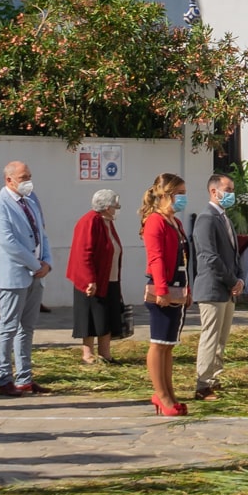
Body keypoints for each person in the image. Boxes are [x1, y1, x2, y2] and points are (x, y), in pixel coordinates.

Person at [0, 160, 53, 395]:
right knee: (8, 327)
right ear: (9, 180)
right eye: (23, 177)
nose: (28, 181)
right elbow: (7, 242)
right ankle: (4, 379)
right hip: (14, 276)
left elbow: (41, 233)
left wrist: (47, 263)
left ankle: (25, 378)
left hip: (36, 275)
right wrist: (35, 264)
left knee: (27, 328)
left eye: (29, 176)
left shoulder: (31, 201)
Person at [190, 172, 244, 401]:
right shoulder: (206, 218)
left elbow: (232, 253)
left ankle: (214, 377)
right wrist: (232, 280)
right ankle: (202, 384)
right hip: (213, 287)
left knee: (221, 338)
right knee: (210, 336)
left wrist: (239, 279)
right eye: (228, 190)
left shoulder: (224, 217)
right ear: (214, 191)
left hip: (228, 289)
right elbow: (209, 257)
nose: (231, 194)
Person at [140, 174, 190, 416]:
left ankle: (169, 392)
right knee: (158, 344)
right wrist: (161, 289)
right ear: (167, 194)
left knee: (169, 345)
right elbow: (156, 257)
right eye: (180, 193)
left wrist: (187, 288)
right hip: (162, 288)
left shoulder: (175, 222)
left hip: (177, 287)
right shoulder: (155, 222)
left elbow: (183, 257)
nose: (183, 198)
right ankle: (160, 395)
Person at [68, 188, 127, 365]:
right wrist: (89, 279)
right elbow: (84, 252)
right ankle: (88, 354)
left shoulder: (106, 221)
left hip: (109, 278)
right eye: (114, 206)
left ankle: (105, 354)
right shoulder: (90, 221)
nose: (116, 209)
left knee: (107, 315)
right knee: (91, 316)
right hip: (93, 280)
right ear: (107, 206)